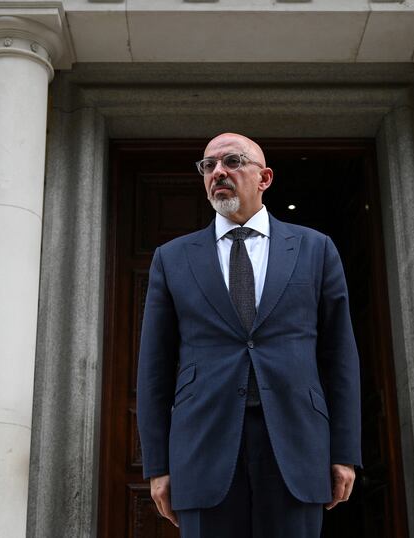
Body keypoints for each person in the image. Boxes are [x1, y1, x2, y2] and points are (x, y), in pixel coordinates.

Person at [136, 133, 361, 538]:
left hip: (295, 444)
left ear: (265, 178)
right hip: (203, 446)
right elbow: (154, 368)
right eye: (208, 166)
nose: (218, 172)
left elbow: (339, 356)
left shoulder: (315, 248)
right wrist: (158, 465)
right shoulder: (171, 258)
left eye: (233, 161)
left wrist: (344, 452)